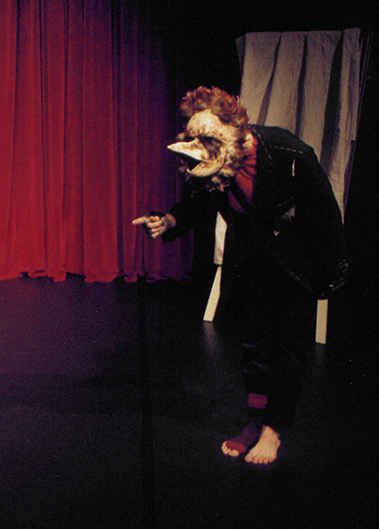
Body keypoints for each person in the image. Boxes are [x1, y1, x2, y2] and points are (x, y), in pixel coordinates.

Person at [135, 87, 347, 465]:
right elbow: (200, 199)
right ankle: (254, 421)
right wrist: (169, 220)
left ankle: (273, 430)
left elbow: (326, 215)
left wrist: (331, 273)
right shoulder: (214, 155)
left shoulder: (288, 152)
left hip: (294, 263)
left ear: (233, 132)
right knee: (254, 348)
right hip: (250, 259)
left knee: (289, 348)